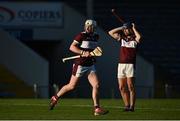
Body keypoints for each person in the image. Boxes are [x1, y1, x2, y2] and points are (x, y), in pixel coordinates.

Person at [49, 19, 108, 116]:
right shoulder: (81, 35)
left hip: (90, 64)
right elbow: (72, 47)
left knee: (96, 85)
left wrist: (92, 54)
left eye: (90, 26)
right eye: (87, 26)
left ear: (94, 28)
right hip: (80, 64)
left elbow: (92, 50)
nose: (88, 27)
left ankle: (97, 108)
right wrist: (82, 52)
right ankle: (55, 97)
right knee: (71, 86)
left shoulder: (96, 36)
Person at [108, 22, 141, 111]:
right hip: (121, 65)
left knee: (130, 86)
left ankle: (132, 106)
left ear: (130, 29)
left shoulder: (135, 39)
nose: (125, 31)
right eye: (125, 29)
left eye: (127, 29)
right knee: (121, 87)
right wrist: (121, 27)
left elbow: (139, 37)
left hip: (130, 65)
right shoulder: (122, 38)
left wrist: (134, 28)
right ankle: (126, 106)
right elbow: (110, 32)